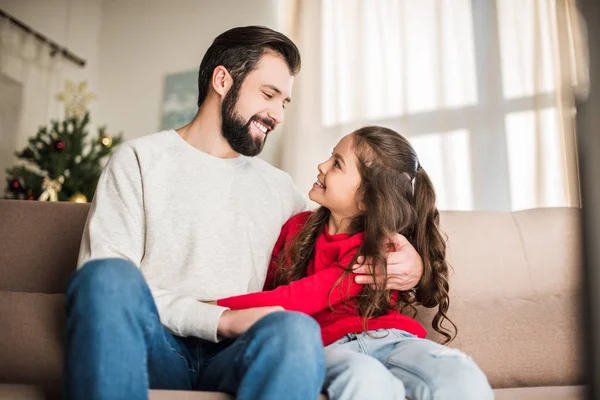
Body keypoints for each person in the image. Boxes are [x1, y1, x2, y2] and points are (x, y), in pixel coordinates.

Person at [64, 26, 424, 400]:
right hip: (158, 344)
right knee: (105, 277)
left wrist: (411, 263)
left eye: (284, 102)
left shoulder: (281, 188)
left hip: (241, 354)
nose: (278, 115)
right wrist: (220, 319)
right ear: (222, 80)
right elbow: (104, 290)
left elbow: (349, 231)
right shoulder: (139, 161)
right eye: (269, 95)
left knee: (294, 330)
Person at [217, 126, 494, 400]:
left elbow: (295, 299)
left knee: (459, 372)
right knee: (367, 378)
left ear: (366, 199)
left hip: (394, 340)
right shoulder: (295, 229)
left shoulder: (383, 245)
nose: (322, 165)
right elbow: (273, 300)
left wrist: (209, 309)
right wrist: (199, 315)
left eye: (337, 164)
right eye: (331, 156)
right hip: (329, 348)